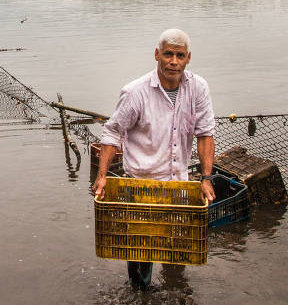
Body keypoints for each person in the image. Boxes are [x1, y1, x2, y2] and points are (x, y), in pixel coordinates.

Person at [92, 28, 216, 288]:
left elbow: (205, 134)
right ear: (156, 55)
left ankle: (172, 293)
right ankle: (140, 304)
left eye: (179, 55)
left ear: (188, 58)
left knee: (177, 252)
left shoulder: (198, 88)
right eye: (168, 54)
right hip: (141, 187)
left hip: (178, 185)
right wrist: (102, 177)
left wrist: (206, 178)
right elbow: (113, 132)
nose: (173, 61)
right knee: (140, 259)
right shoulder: (135, 92)